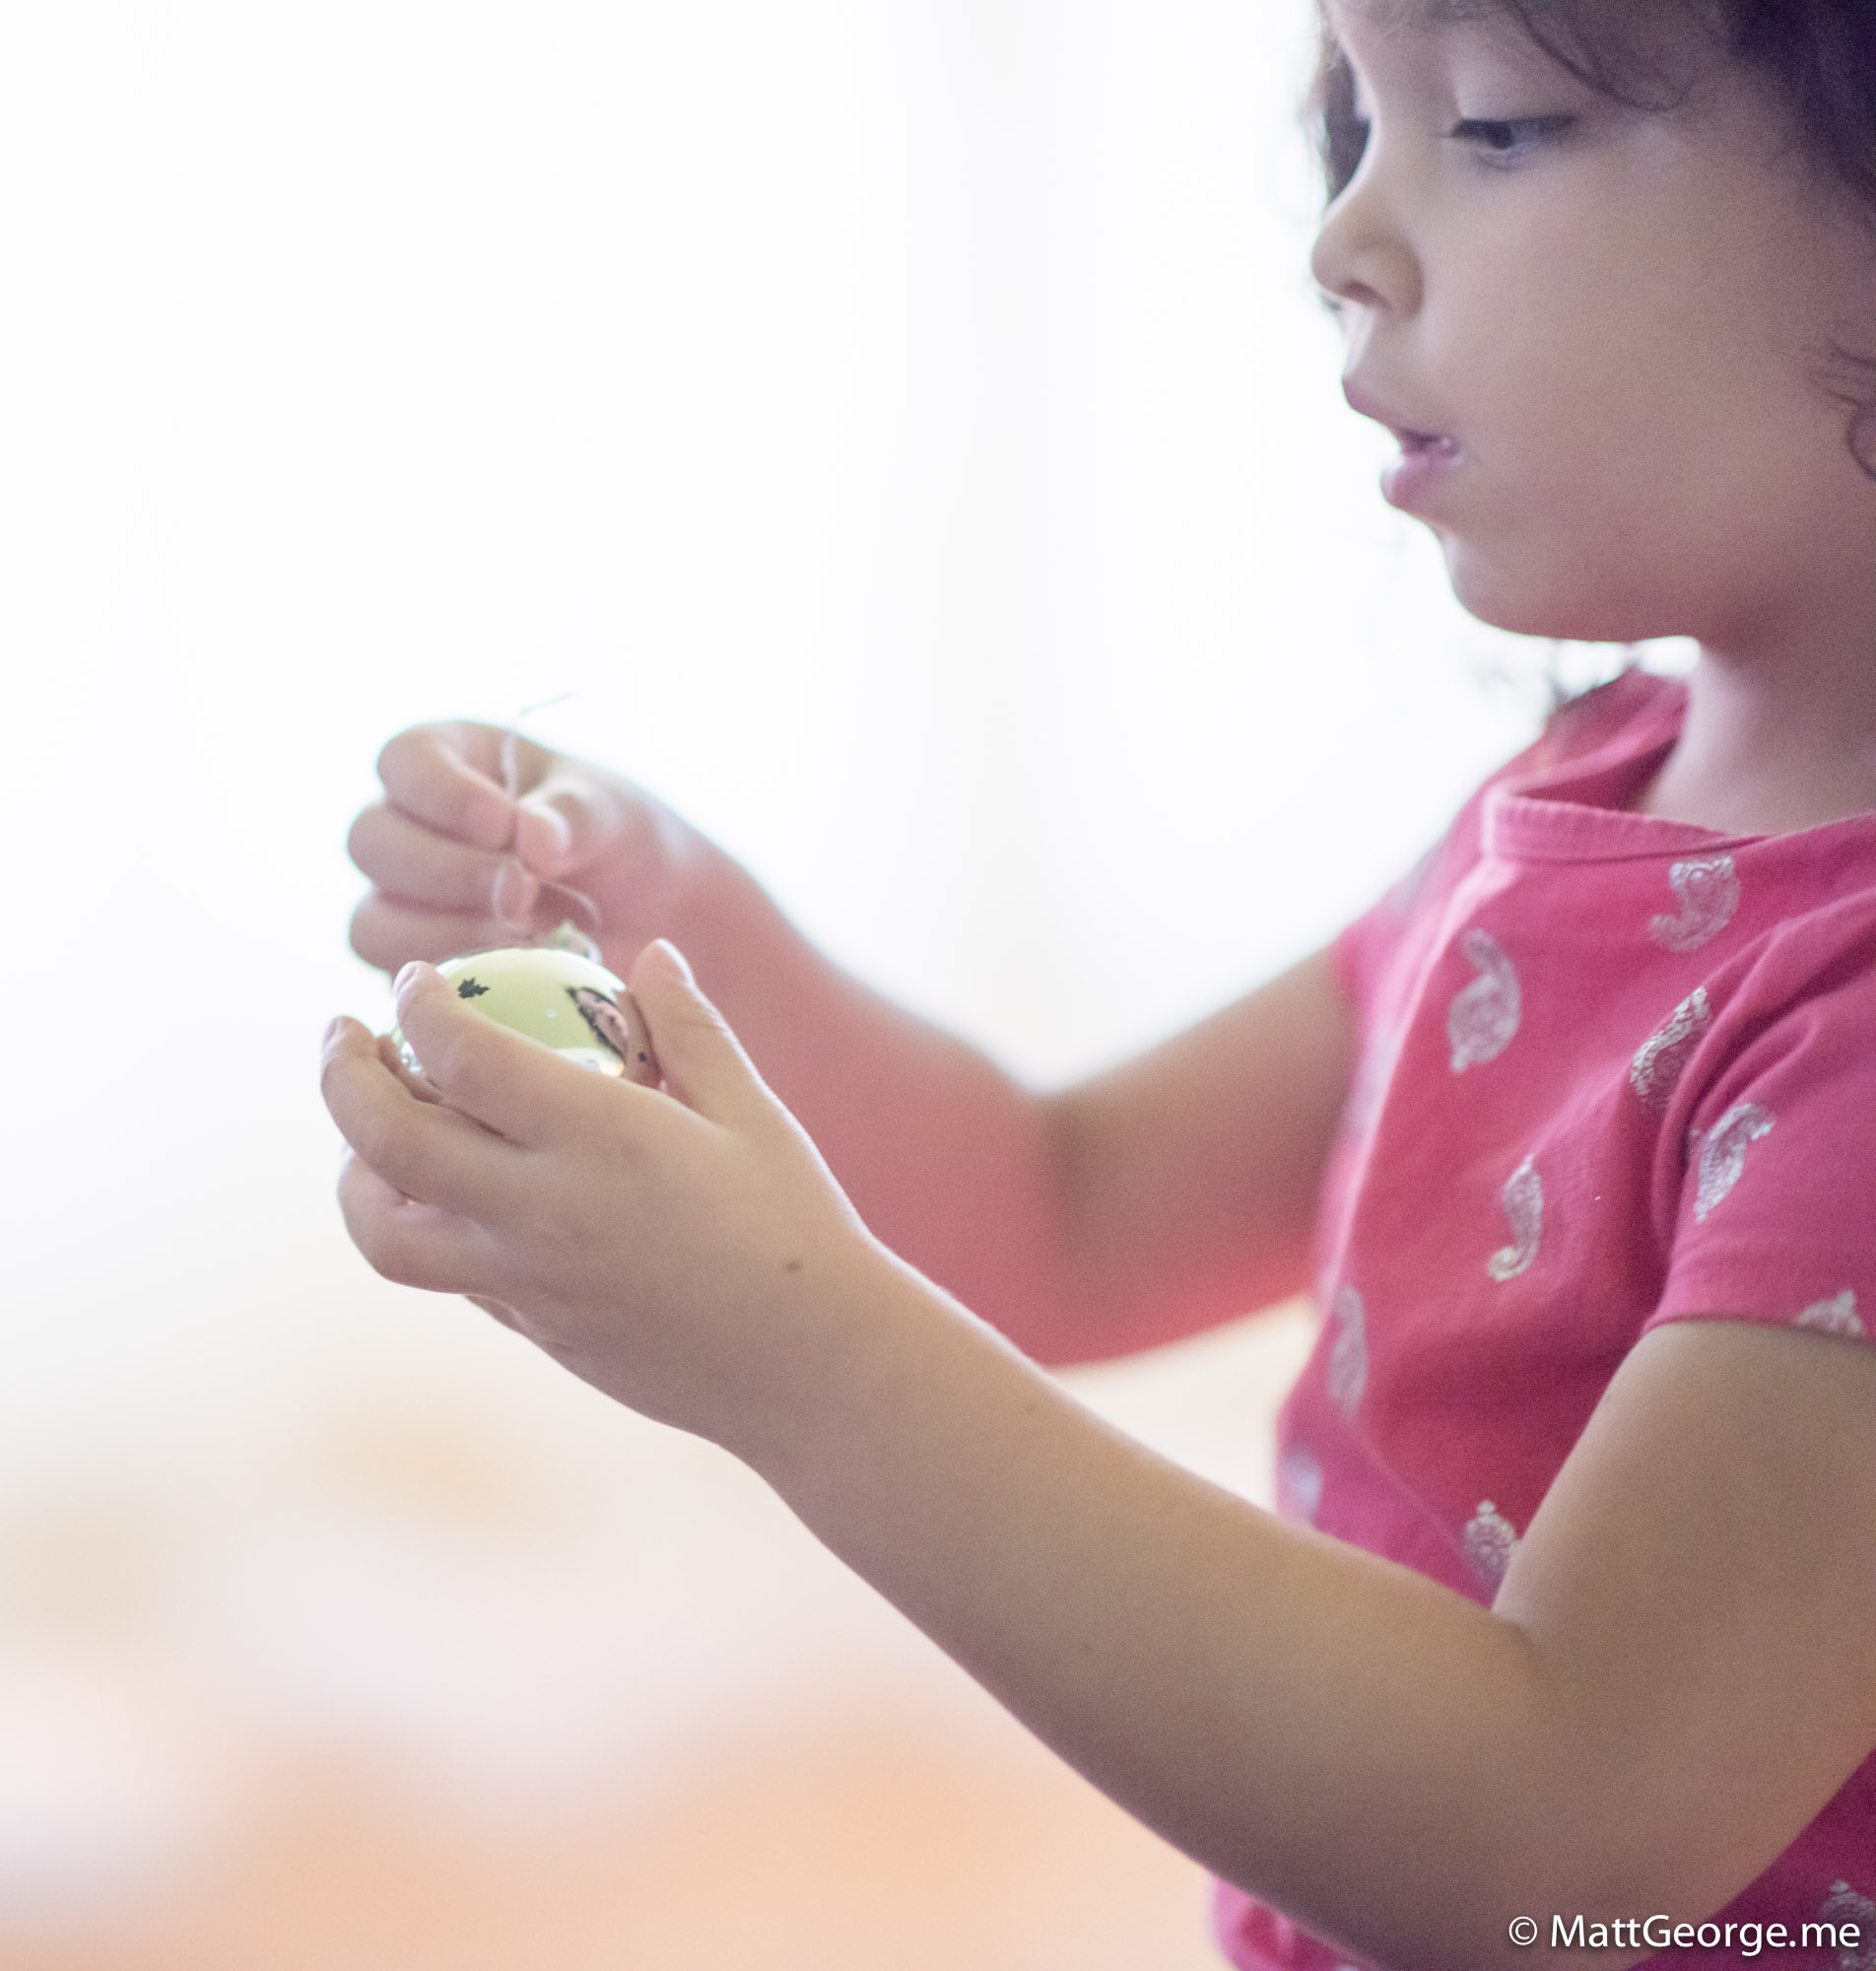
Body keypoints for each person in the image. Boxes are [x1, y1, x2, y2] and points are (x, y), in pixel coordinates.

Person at [320, 2, 1876, 1963]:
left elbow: (1558, 1831)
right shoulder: (1578, 805)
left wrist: (783, 1352)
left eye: (1494, 127)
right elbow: (1060, 1211)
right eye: (1351, 120)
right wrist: (671, 908)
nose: (1341, 238)